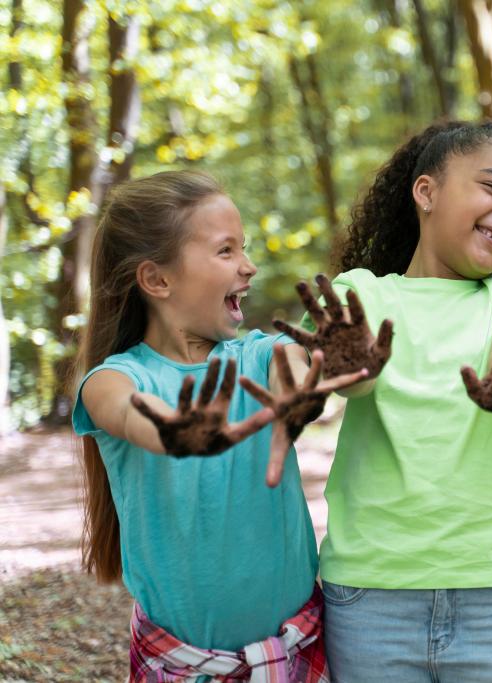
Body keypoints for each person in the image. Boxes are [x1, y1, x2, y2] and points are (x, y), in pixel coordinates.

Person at [273, 120, 492, 683]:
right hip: (372, 597)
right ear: (427, 192)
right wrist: (339, 369)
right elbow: (350, 376)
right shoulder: (362, 292)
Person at [72, 170, 366, 681]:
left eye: (244, 249)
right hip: (179, 664)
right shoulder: (117, 377)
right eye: (226, 251)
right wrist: (172, 430)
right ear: (157, 280)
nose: (248, 267)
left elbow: (292, 363)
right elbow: (124, 408)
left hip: (298, 651)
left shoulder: (256, 353)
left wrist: (302, 393)